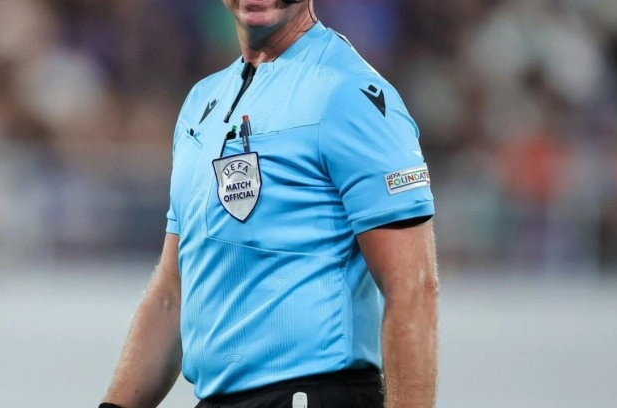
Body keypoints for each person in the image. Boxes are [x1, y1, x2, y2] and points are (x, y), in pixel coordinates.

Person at [101, 1, 438, 407]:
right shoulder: (201, 102)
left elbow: (413, 289)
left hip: (310, 395)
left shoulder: (350, 93)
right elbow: (173, 291)